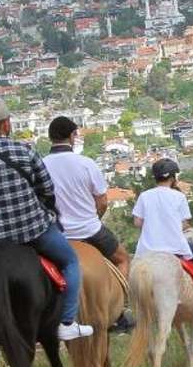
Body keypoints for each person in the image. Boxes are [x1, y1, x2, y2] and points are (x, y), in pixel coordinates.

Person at [0, 99, 92, 344]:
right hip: (32, 230)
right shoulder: (25, 150)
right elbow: (47, 190)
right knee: (70, 261)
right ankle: (66, 322)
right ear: (6, 124)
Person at [42, 115, 133, 333]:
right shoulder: (86, 163)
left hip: (56, 235)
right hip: (89, 229)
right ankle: (120, 310)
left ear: (50, 138)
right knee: (123, 259)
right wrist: (94, 218)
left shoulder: (41, 164)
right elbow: (102, 201)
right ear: (72, 136)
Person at [132, 158, 193, 312]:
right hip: (174, 247)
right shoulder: (179, 197)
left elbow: (137, 222)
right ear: (173, 178)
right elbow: (185, 224)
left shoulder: (144, 196)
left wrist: (153, 225)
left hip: (147, 249)